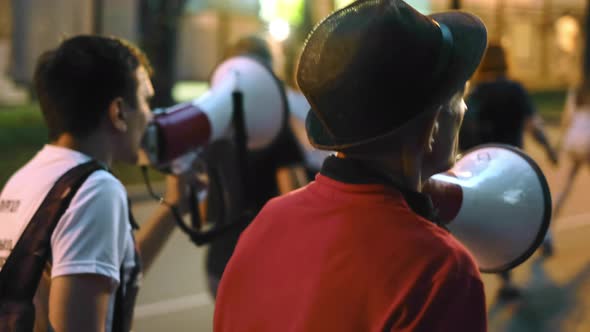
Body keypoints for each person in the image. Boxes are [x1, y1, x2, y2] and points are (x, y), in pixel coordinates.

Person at [213, 0, 489, 331]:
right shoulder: (440, 272)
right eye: (459, 97)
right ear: (431, 128)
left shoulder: (266, 223)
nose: (464, 110)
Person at [0, 35, 195, 332]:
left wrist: (173, 204)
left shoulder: (25, 178)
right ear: (118, 112)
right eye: (145, 100)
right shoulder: (94, 189)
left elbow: (103, 268)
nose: (151, 116)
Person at [204, 35, 307, 297]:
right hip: (263, 262)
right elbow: (293, 195)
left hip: (218, 264)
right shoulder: (273, 127)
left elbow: (206, 208)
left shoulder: (212, 126)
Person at [457, 43, 558, 302]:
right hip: (515, 167)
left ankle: (506, 280)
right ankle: (543, 237)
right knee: (533, 205)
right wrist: (548, 148)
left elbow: (461, 133)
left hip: (482, 172)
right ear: (505, 61)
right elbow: (533, 125)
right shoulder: (514, 89)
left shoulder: (475, 94)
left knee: (496, 225)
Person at [552, 80, 590, 242]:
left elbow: (567, 118)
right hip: (587, 141)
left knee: (566, 186)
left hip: (573, 141)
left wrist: (559, 144)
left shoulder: (577, 89)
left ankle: (548, 230)